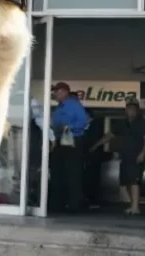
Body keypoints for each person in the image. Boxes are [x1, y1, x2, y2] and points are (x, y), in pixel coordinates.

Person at [92, 100, 145, 215]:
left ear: (137, 111)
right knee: (126, 182)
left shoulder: (143, 123)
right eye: (128, 109)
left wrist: (143, 153)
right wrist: (96, 145)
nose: (130, 111)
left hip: (136, 156)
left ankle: (135, 207)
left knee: (135, 181)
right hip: (125, 156)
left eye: (132, 109)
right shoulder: (123, 123)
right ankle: (132, 204)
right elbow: (109, 135)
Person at [50, 83, 89, 212]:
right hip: (60, 141)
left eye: (56, 91)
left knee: (73, 173)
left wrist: (68, 127)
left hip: (73, 141)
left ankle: (74, 204)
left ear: (64, 92)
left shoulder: (74, 105)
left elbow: (83, 121)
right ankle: (58, 203)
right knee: (58, 172)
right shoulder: (58, 107)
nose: (54, 94)